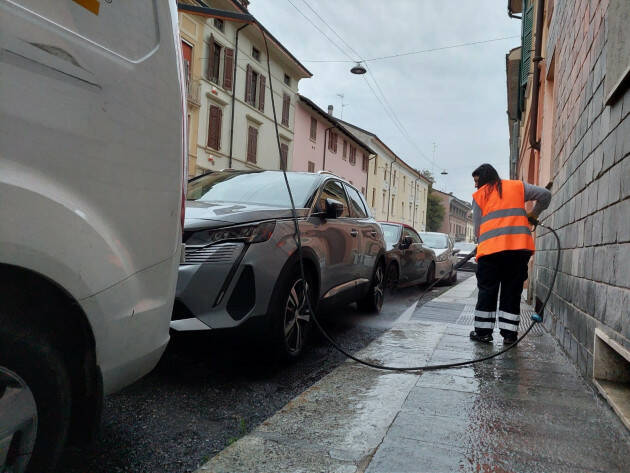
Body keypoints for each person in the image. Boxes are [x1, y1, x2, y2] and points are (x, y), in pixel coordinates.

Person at [469, 164, 551, 344]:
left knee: (487, 291)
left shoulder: (480, 195)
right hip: (518, 250)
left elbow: (477, 228)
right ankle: (509, 335)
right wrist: (532, 215)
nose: (476, 186)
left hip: (490, 252)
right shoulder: (517, 186)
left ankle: (483, 333)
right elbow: (545, 195)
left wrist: (481, 240)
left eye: (477, 182)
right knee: (512, 291)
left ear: (483, 179)